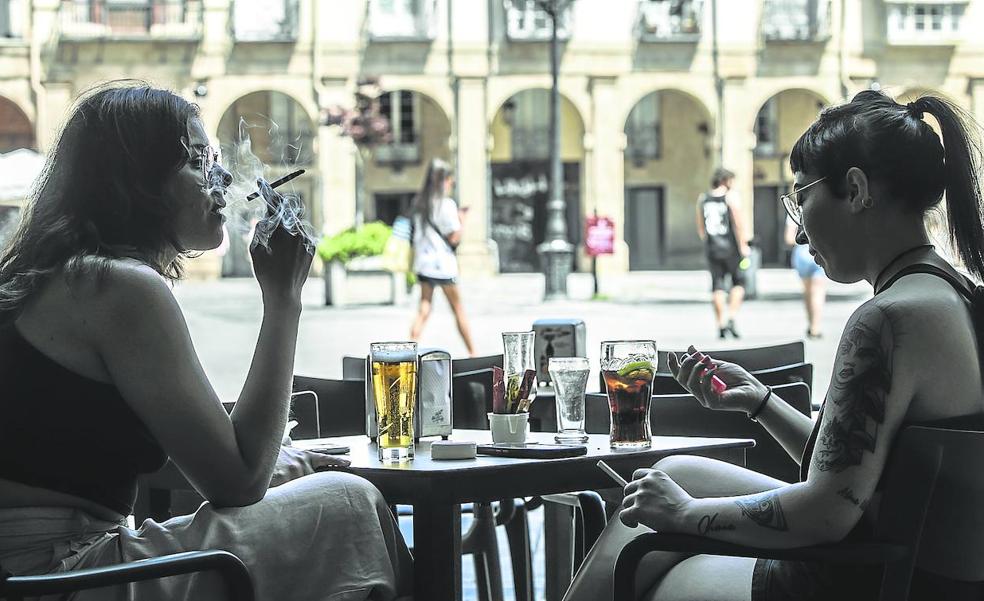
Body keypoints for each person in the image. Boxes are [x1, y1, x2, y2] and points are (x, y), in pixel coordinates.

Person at [564, 90, 984, 601]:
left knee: (646, 560)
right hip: (912, 565)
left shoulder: (886, 321)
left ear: (855, 190)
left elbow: (827, 512)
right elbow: (856, 469)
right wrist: (760, 402)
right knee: (671, 472)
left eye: (801, 197)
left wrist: (682, 514)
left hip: (856, 579)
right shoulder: (952, 295)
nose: (799, 228)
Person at [0, 83, 412, 600]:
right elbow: (236, 482)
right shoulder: (117, 286)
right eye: (197, 160)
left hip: (34, 573)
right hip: (66, 578)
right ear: (139, 179)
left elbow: (145, 450)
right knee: (351, 503)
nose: (220, 177)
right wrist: (283, 301)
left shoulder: (57, 276)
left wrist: (290, 462)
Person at [409, 157, 476, 356]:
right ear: (443, 181)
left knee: (424, 307)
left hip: (423, 263)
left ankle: (410, 347)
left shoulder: (420, 203)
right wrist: (462, 219)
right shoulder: (446, 205)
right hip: (442, 264)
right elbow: (454, 237)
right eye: (449, 180)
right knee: (458, 309)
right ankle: (473, 352)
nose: (451, 184)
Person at [697, 168, 751, 339]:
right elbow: (738, 223)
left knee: (717, 286)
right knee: (739, 283)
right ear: (726, 180)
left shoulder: (703, 198)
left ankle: (720, 324)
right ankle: (731, 317)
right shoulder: (730, 197)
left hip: (712, 248)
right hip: (731, 247)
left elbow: (700, 227)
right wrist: (743, 245)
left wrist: (708, 241)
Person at [785, 215, 827, 338]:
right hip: (819, 250)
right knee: (818, 292)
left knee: (808, 293)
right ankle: (815, 327)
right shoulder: (820, 208)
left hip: (801, 254)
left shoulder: (794, 212)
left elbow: (788, 238)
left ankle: (810, 324)